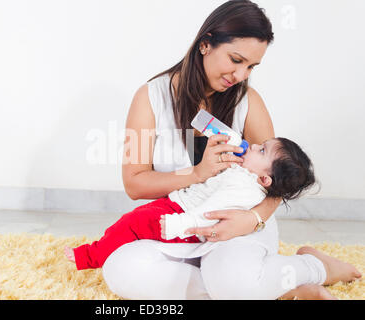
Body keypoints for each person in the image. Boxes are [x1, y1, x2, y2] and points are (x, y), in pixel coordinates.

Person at [97, 0, 360, 300]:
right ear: (206, 44)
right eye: (236, 60)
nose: (241, 75)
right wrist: (195, 174)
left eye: (251, 66)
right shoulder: (150, 98)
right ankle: (271, 287)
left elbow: (276, 184)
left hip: (238, 228)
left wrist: (252, 220)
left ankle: (312, 267)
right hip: (180, 226)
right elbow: (135, 183)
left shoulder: (249, 103)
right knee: (122, 269)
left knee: (229, 278)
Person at [66, 137, 318, 270]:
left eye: (261, 150)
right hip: (176, 203)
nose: (252, 145)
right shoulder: (243, 172)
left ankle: (91, 255)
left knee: (133, 223)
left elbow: (211, 214)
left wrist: (179, 225)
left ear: (264, 178)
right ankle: (100, 249)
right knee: (133, 220)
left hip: (182, 218)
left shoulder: (244, 189)